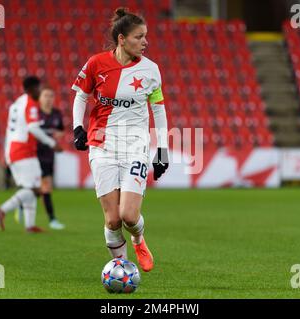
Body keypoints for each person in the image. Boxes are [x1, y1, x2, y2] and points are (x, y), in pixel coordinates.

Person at [71, 8, 169, 272]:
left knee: (128, 215)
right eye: (139, 37)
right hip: (102, 146)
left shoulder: (151, 70)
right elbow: (81, 95)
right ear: (122, 39)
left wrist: (162, 150)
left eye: (146, 36)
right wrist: (77, 128)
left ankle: (138, 239)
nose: (145, 42)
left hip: (135, 146)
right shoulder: (96, 63)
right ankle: (122, 268)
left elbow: (158, 109)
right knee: (113, 220)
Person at [0, 76, 61, 233]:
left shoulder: (17, 103)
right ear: (31, 89)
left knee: (33, 186)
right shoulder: (30, 103)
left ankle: (29, 225)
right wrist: (52, 143)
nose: (40, 91)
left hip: (14, 148)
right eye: (38, 88)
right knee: (36, 189)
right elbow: (33, 128)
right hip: (23, 150)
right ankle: (2, 210)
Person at [36, 86, 65, 229]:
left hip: (49, 155)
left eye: (51, 96)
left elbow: (60, 130)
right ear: (40, 98)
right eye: (45, 95)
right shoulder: (35, 113)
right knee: (45, 186)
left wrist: (58, 135)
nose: (48, 99)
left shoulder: (57, 114)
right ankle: (52, 219)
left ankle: (22, 204)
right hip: (34, 154)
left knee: (42, 187)